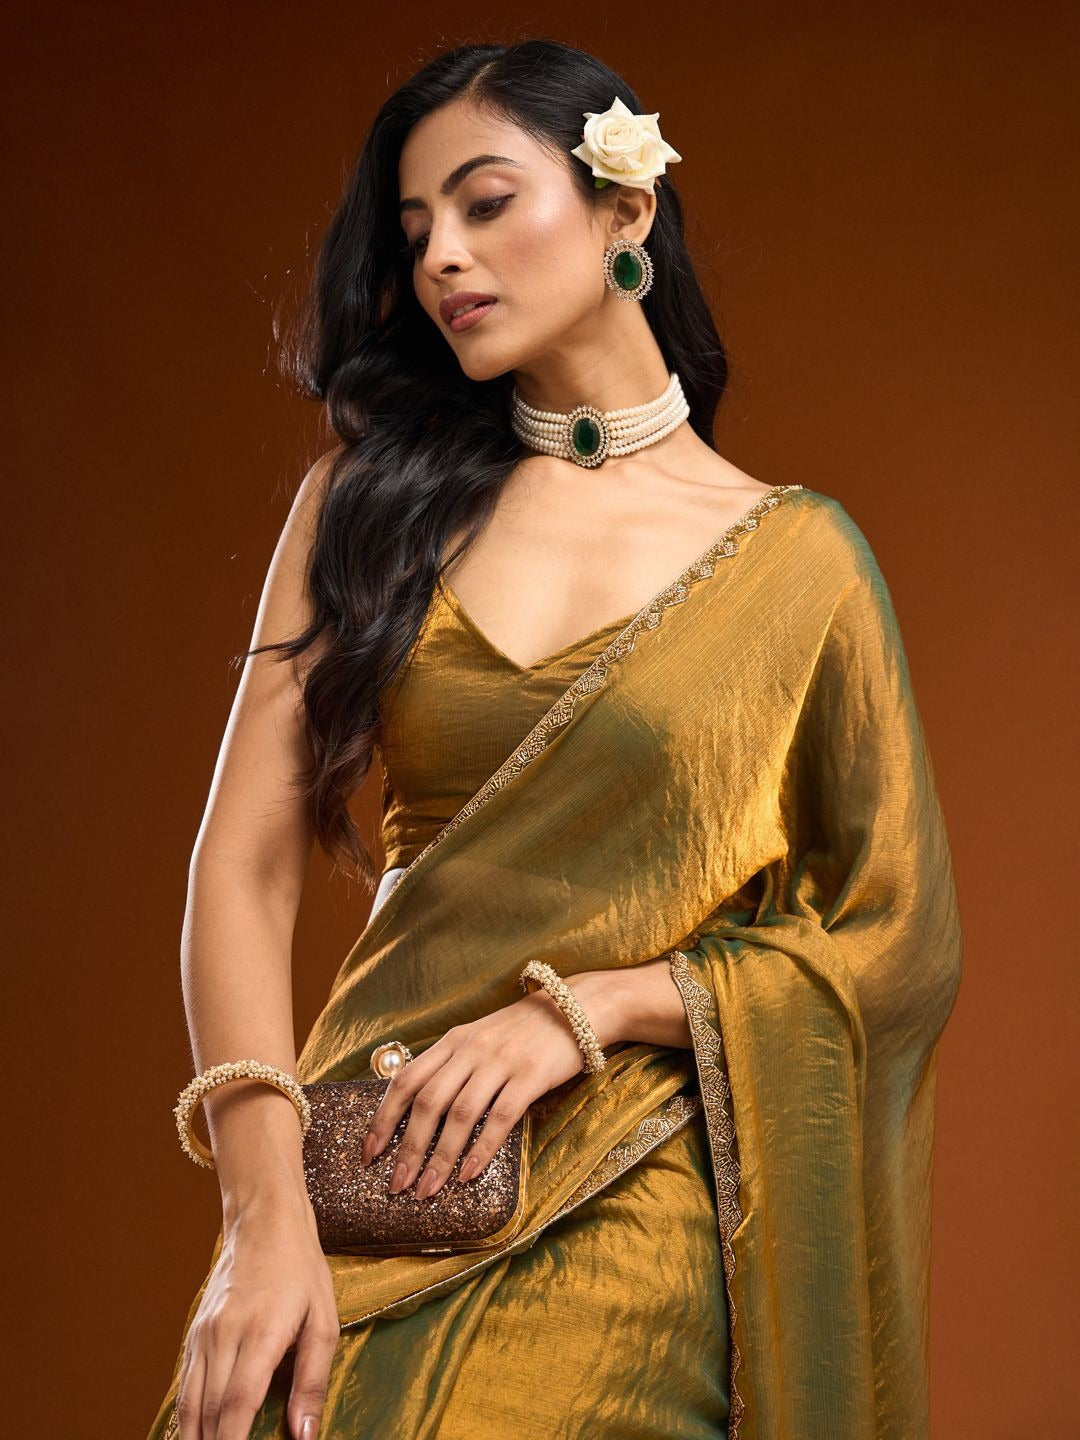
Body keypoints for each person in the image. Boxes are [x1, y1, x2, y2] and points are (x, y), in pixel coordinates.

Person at [147, 37, 962, 1440]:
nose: (442, 260)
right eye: (417, 231)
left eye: (484, 203)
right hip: (375, 1168)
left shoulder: (800, 566)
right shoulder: (365, 502)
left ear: (624, 207)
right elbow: (244, 869)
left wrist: (597, 1008)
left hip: (635, 1194)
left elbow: (892, 939)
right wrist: (260, 1220)